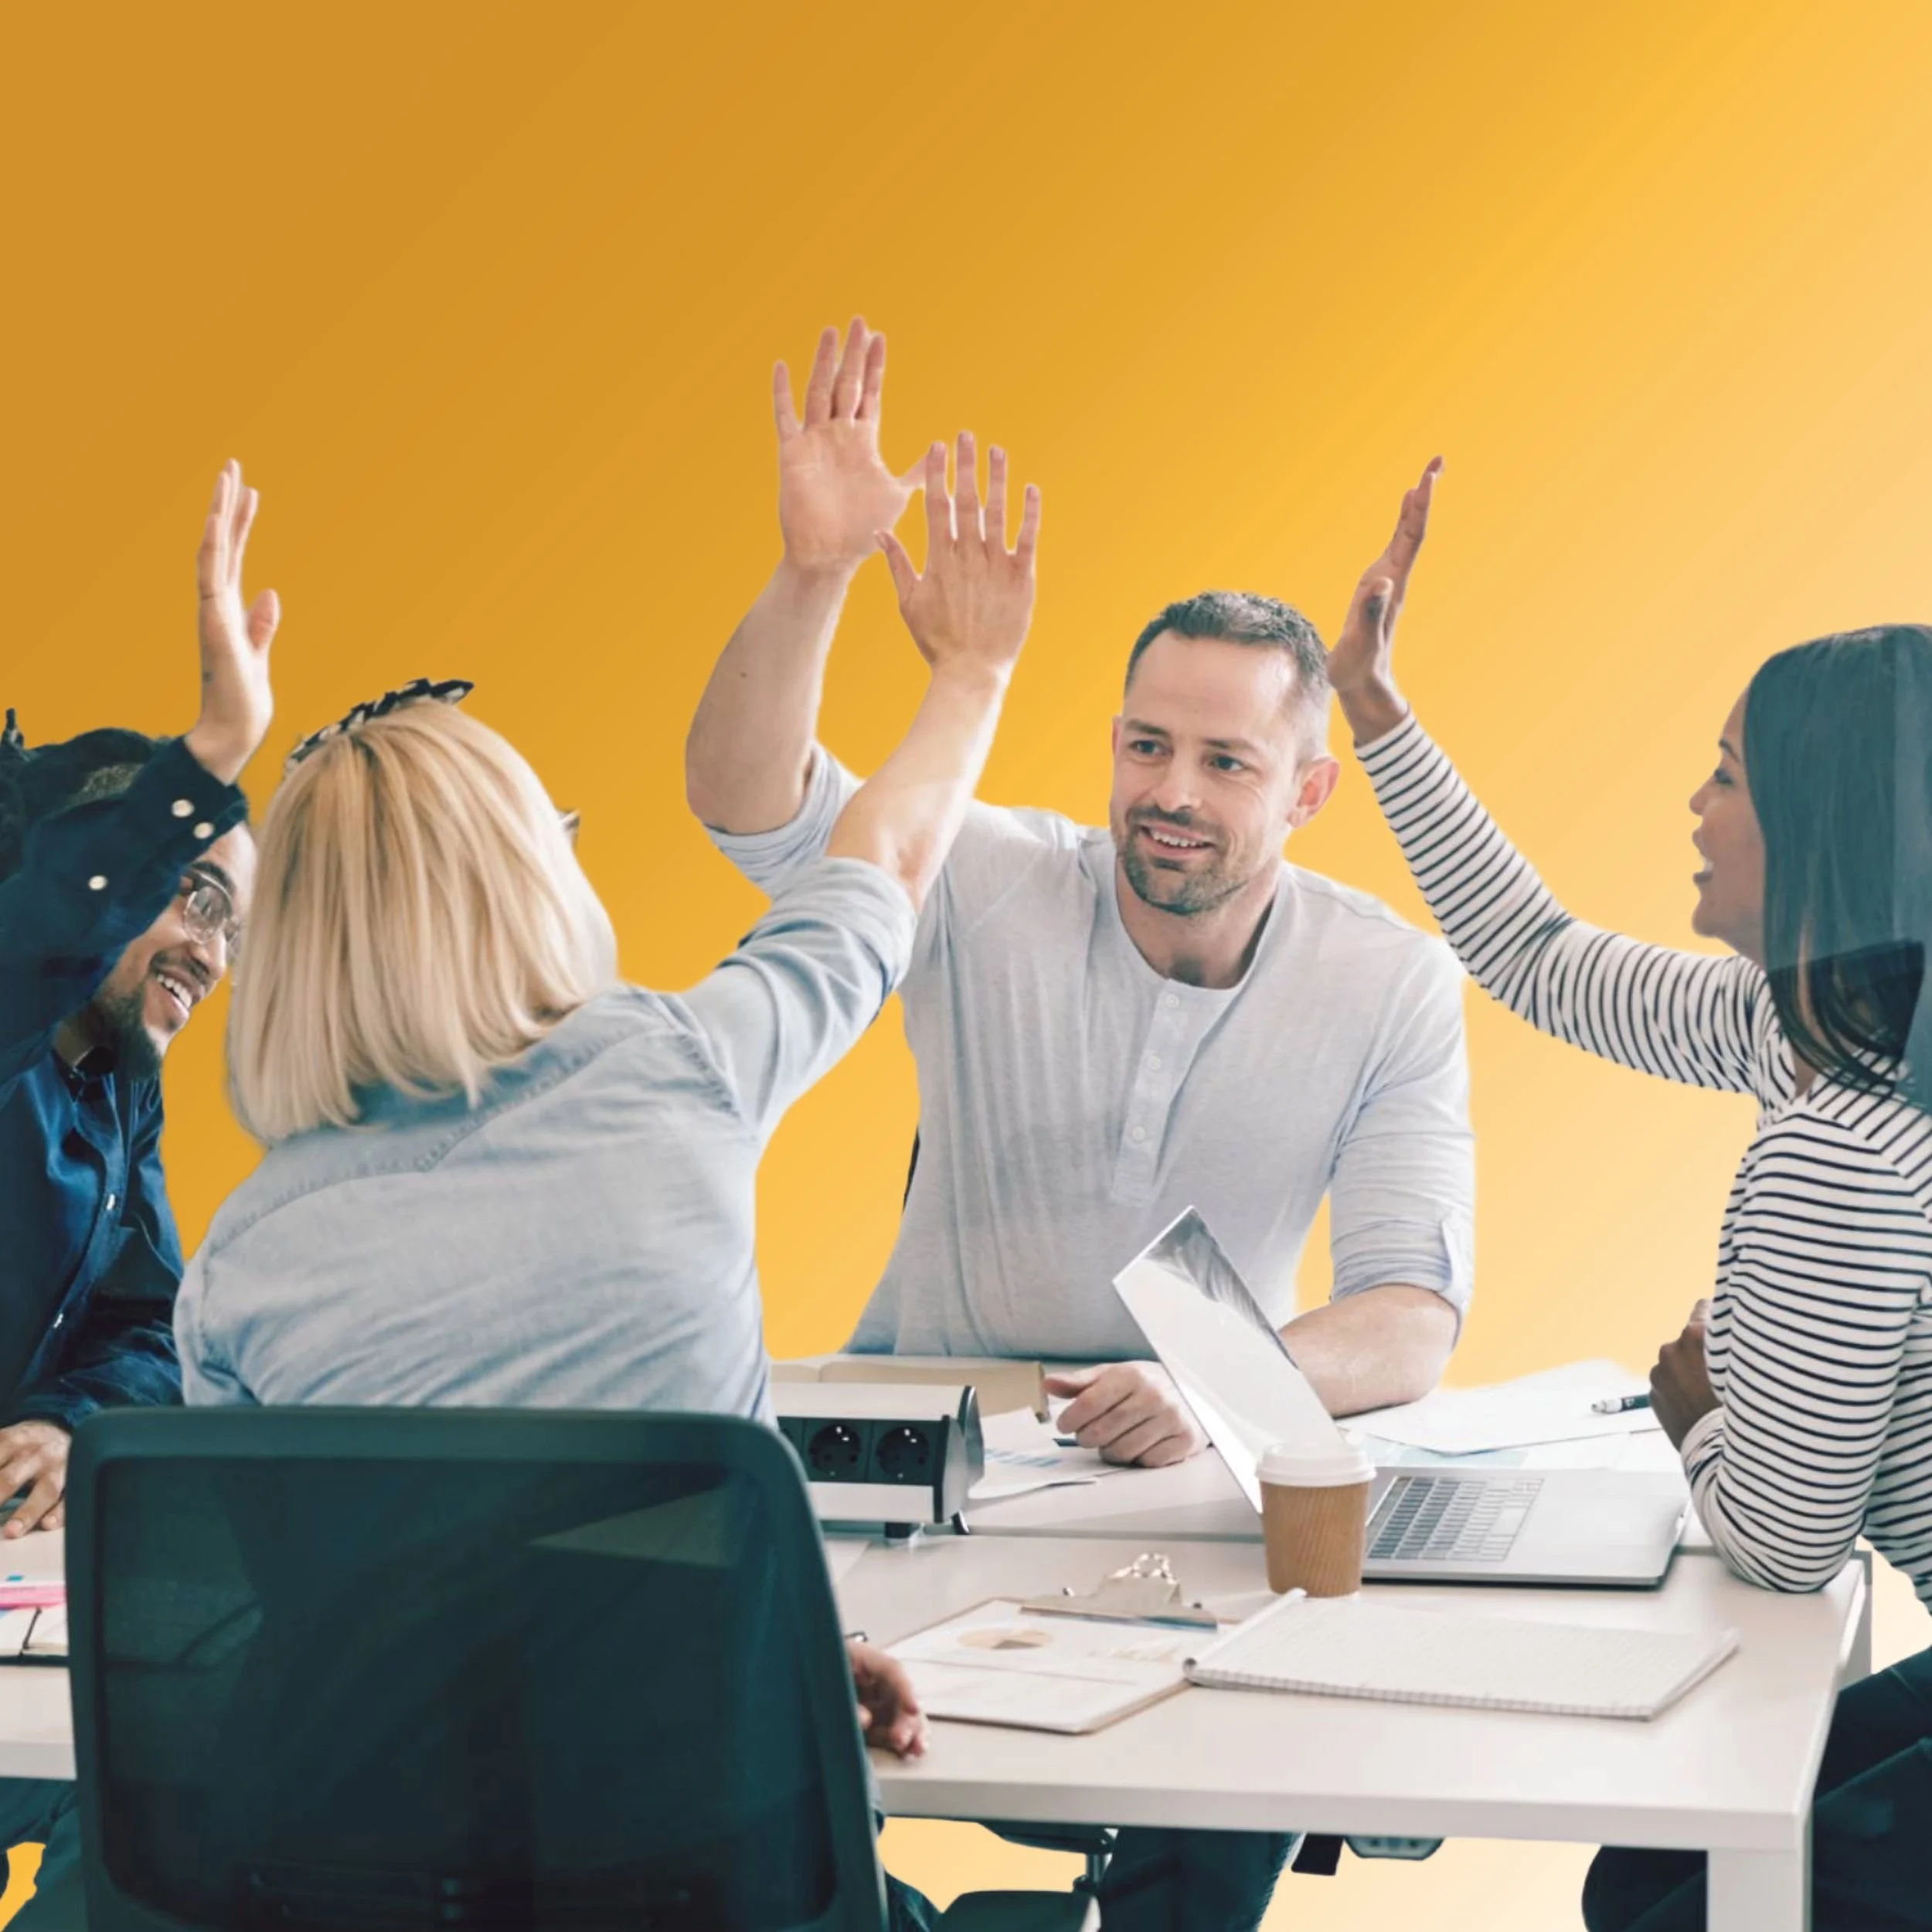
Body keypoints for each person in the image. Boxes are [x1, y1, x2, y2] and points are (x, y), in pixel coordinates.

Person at [172, 423, 1041, 1930]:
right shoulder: (679, 1067)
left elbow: (356, 1634)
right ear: (533, 877)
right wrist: (967, 669)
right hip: (704, 1868)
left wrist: (758, 1647)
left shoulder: (238, 1268)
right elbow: (883, 866)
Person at [685, 319, 1475, 1931]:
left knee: (1239, 1771)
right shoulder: (986, 874)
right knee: (741, 1757)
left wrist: (1211, 1380)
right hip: (918, 1452)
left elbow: (1407, 1316)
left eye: (1221, 760)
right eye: (1140, 743)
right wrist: (812, 576)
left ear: (1305, 792)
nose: (1165, 790)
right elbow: (744, 799)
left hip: (1187, 1483)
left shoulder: (1389, 980)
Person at [1329, 457, 1932, 1931]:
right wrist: (1376, 712)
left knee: (1668, 1899)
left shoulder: (1845, 1141)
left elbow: (1786, 1550)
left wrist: (1696, 1410)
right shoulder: (1826, 1027)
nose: (1695, 802)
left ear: (1820, 826)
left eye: (1728, 776)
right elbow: (1538, 955)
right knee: (1661, 1868)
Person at [0, 460, 278, 1923]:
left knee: (177, 1795)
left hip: (17, 1625)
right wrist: (210, 756)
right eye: (193, 893)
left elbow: (151, 1324)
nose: (211, 950)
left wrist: (66, 1420)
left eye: (231, 914)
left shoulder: (118, 1088)